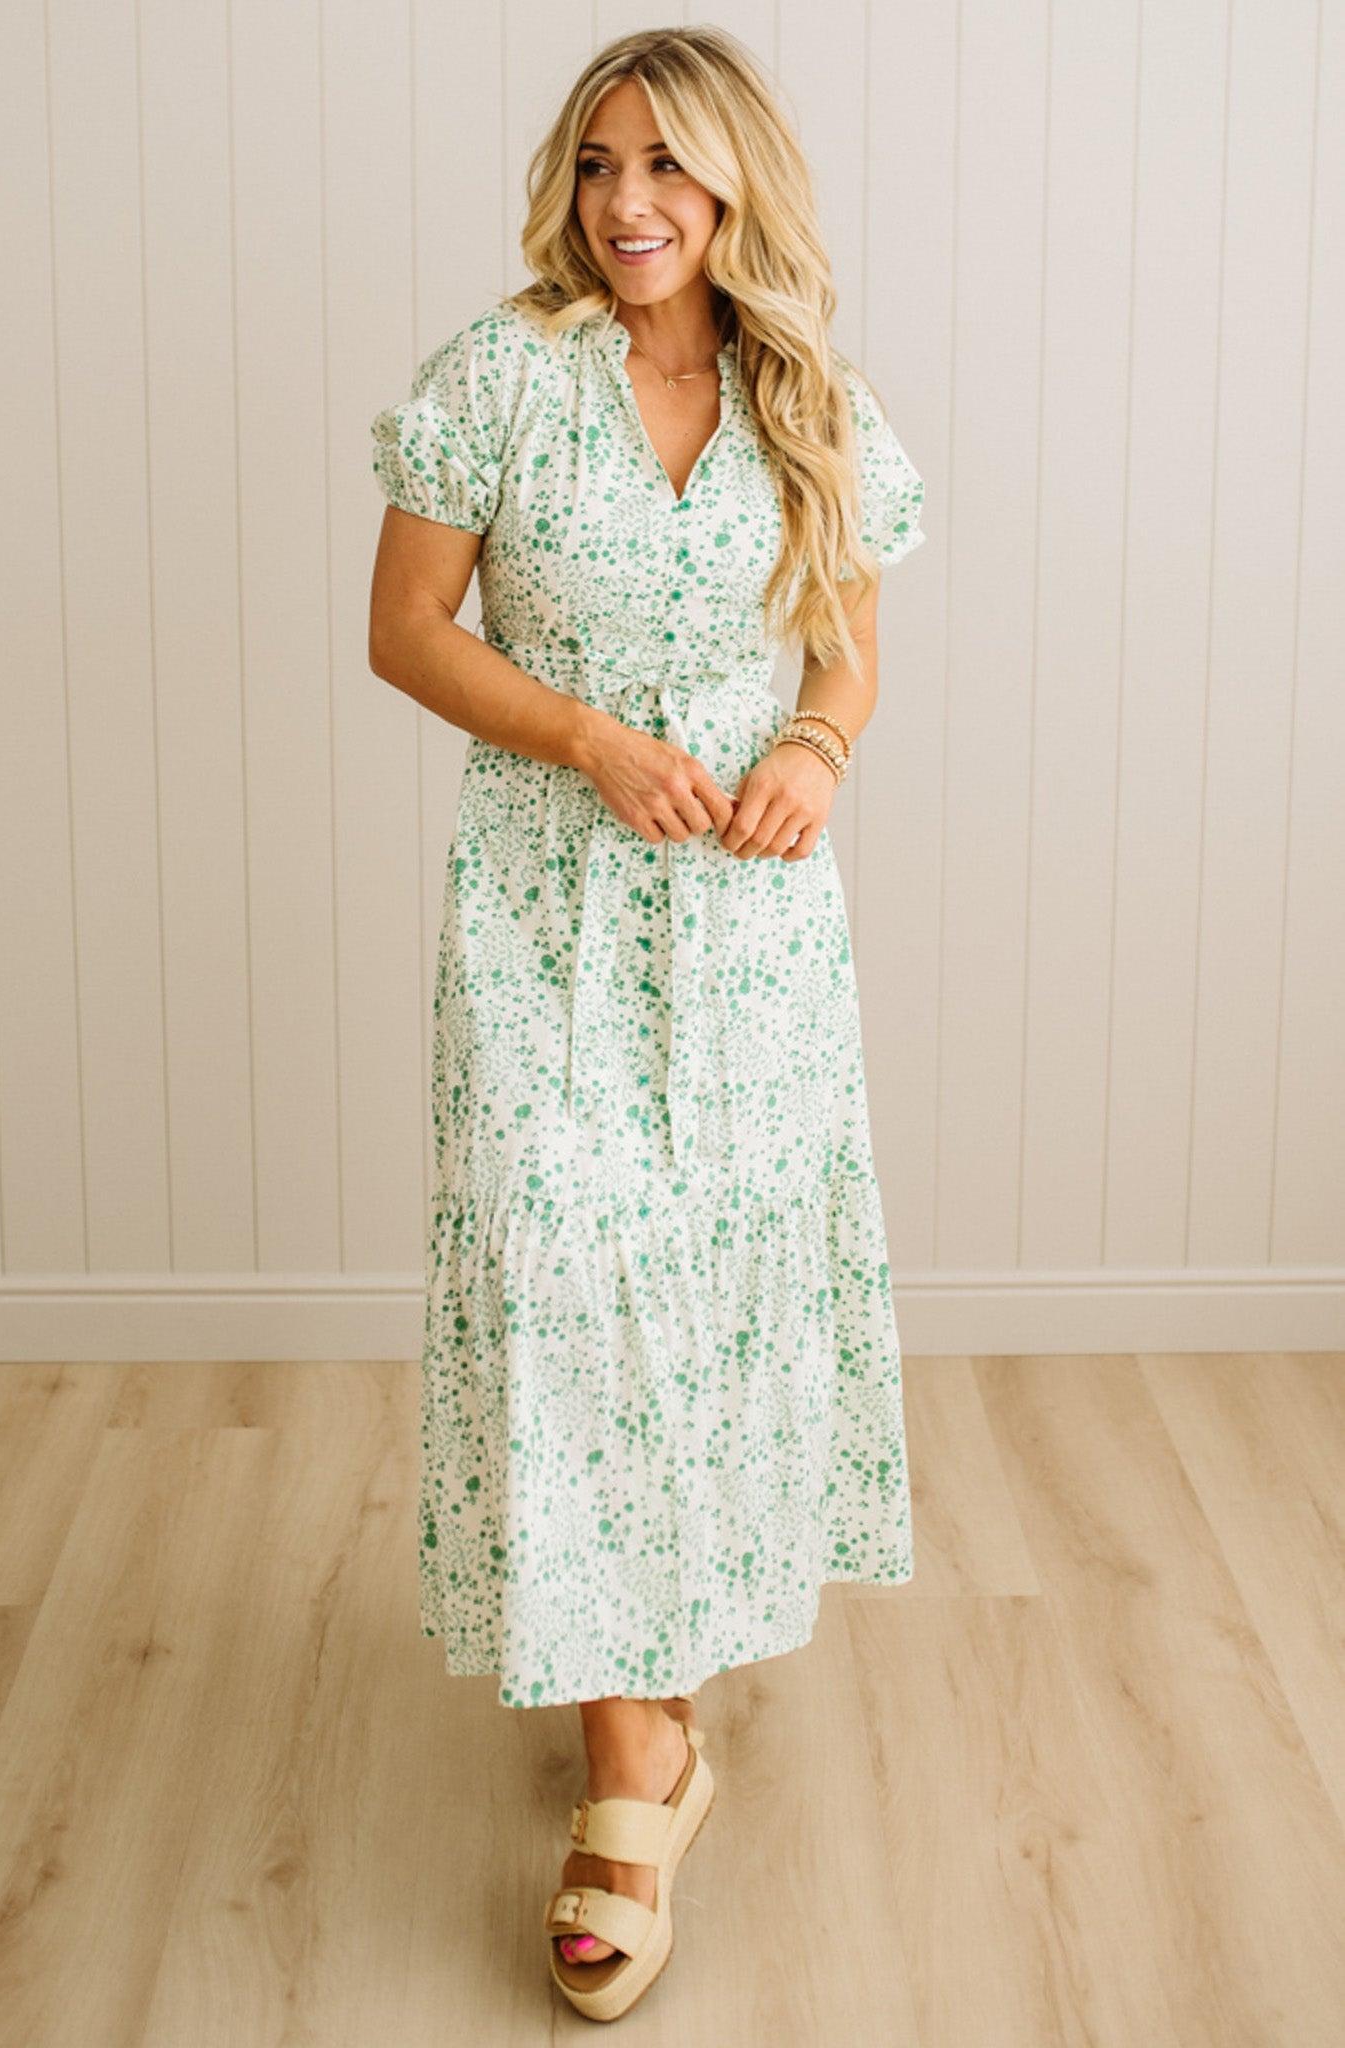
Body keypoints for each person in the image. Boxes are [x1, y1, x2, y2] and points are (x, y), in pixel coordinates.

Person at [367, 24, 924, 2023]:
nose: (626, 206)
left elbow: (847, 650)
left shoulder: (809, 401)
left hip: (757, 936)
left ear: (734, 190)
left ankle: (654, 1671)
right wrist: (588, 736)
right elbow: (406, 628)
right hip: (544, 908)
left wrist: (808, 746)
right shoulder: (497, 381)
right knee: (569, 1272)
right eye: (597, 163)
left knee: (706, 1287)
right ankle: (631, 1761)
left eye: (668, 171)